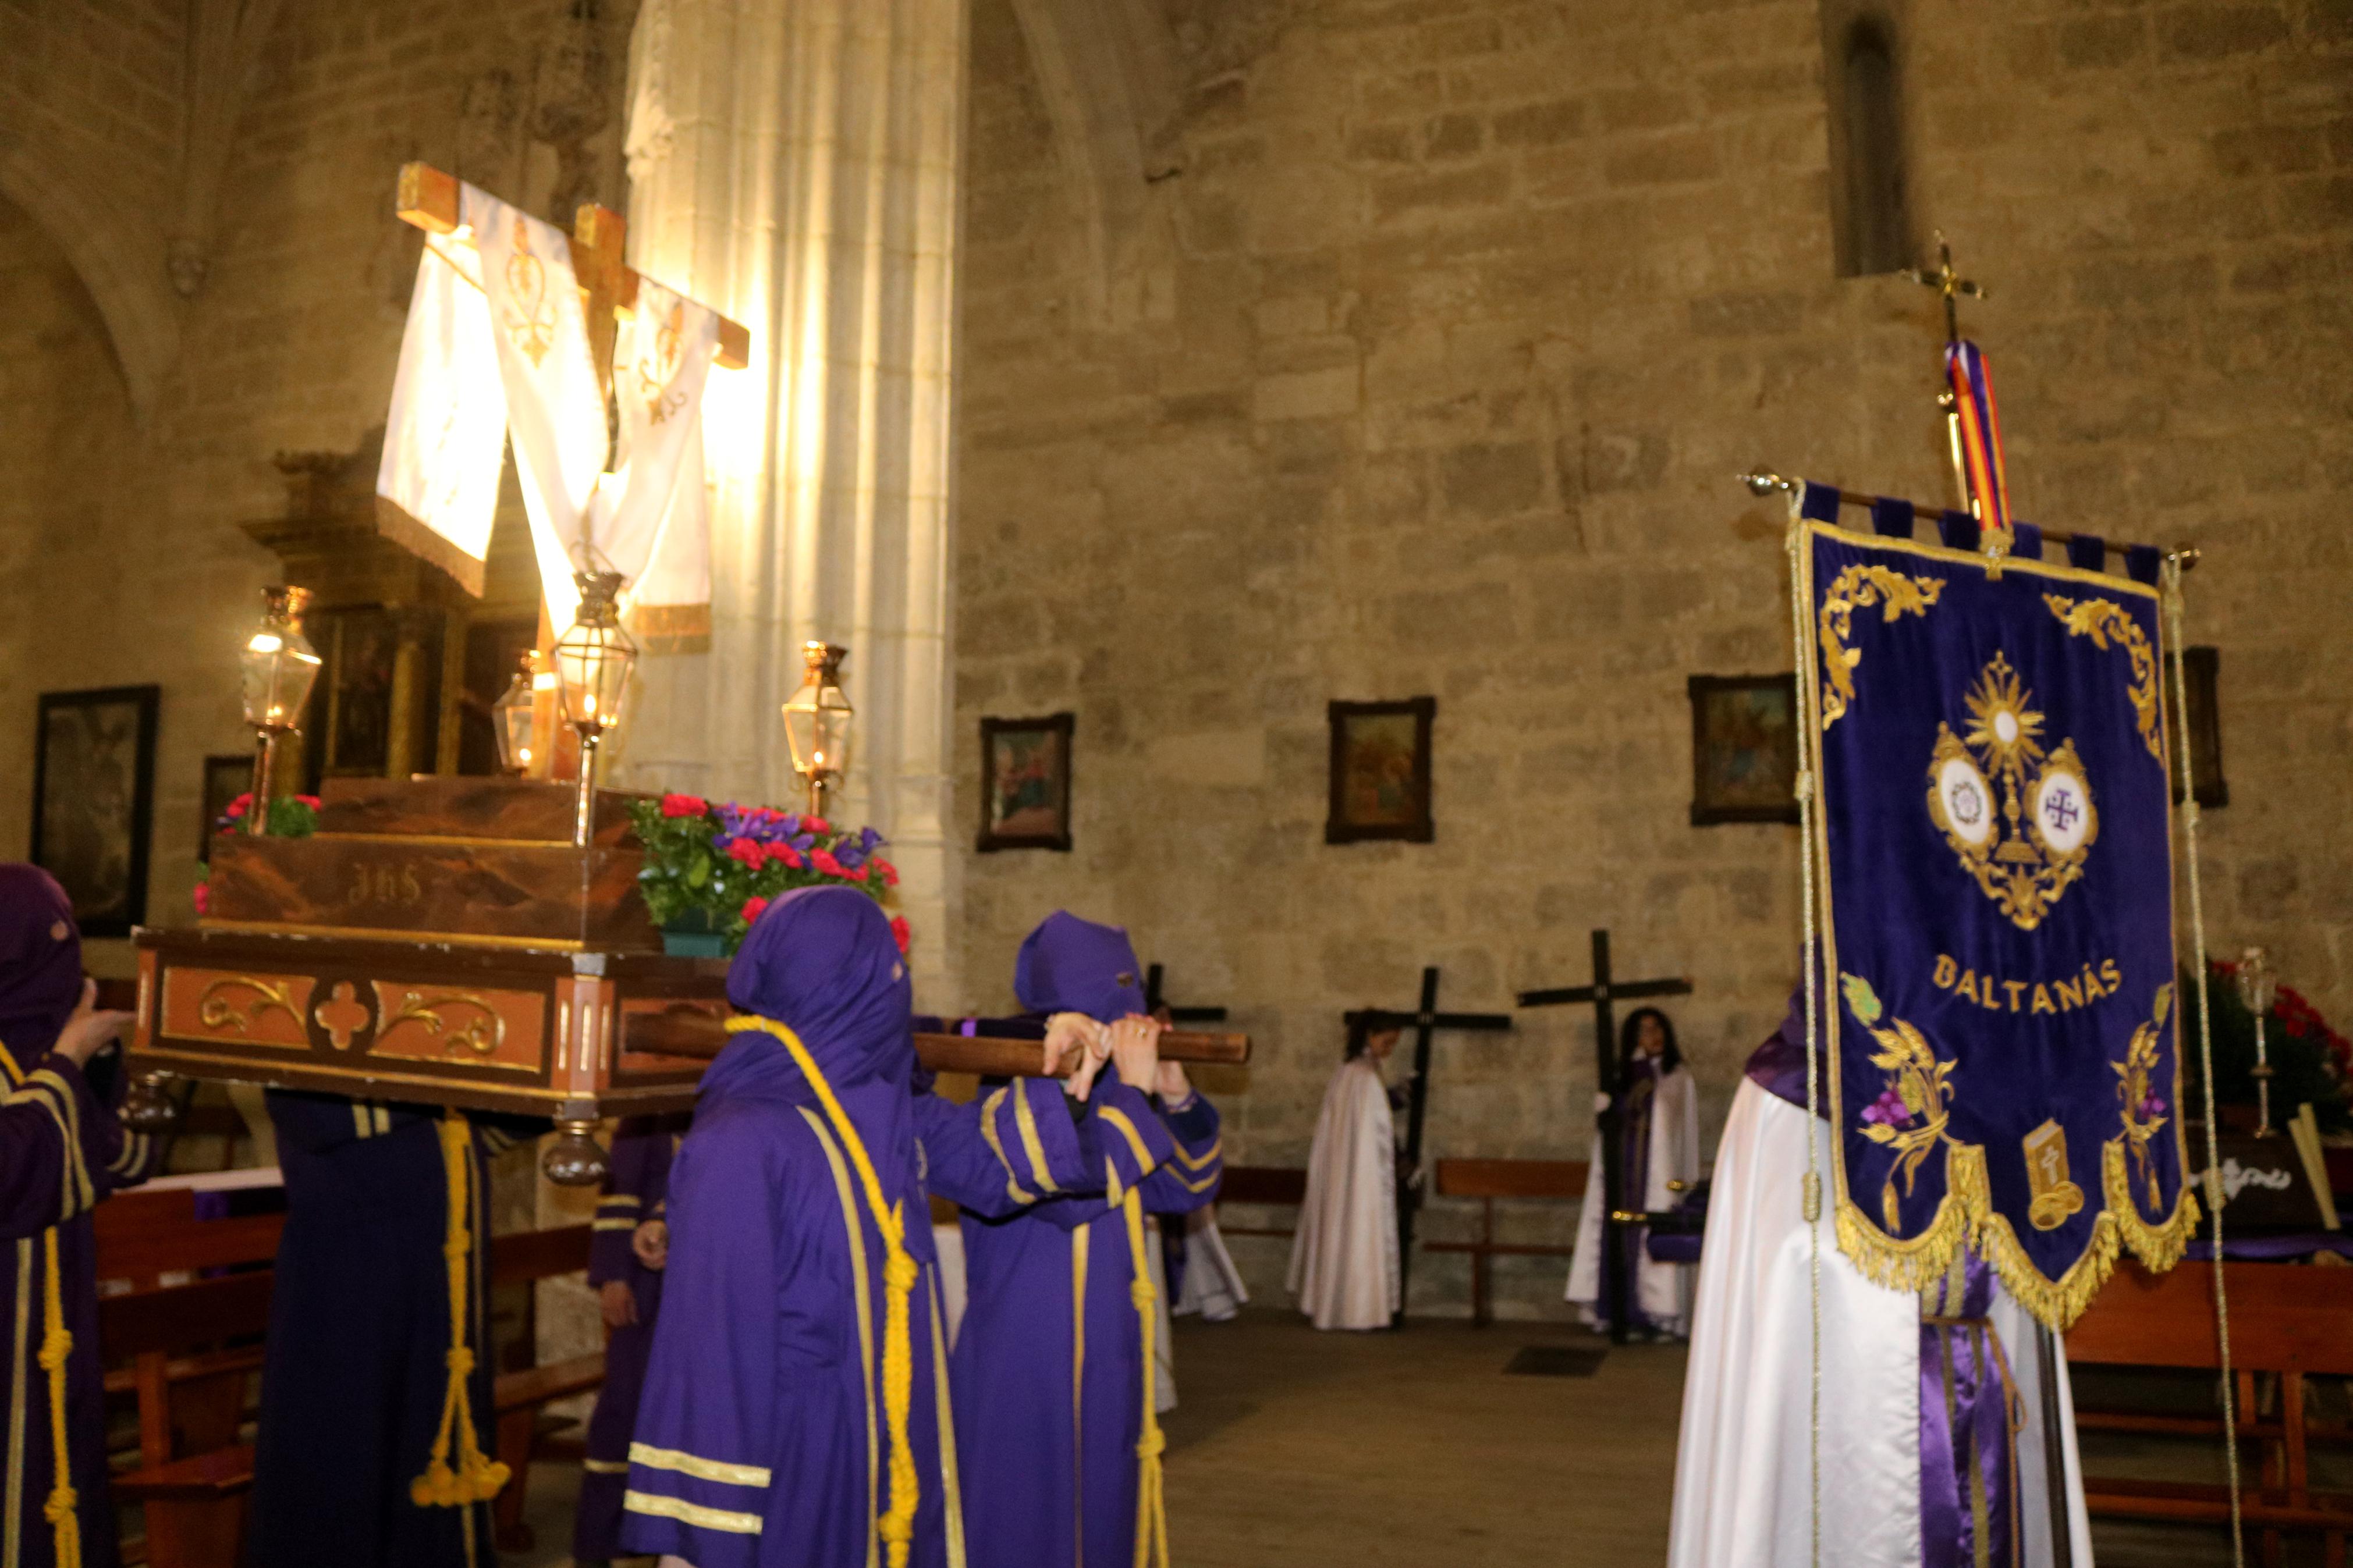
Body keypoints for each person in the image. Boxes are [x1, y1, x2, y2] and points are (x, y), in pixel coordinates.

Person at [622, 887, 1099, 1567]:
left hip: (886, 1428)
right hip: (796, 1460)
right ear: (846, 988)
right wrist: (700, 1540)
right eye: (890, 971)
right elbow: (712, 1350)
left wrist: (1065, 1076)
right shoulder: (742, 1136)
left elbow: (991, 1165)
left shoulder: (874, 1104)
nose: (900, 988)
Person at [1668, 989, 2094, 1568]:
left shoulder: (2007, 1069)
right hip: (1844, 1391)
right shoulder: (1787, 1088)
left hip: (1980, 1370)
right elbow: (1783, 1265)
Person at [954, 911, 1223, 1568]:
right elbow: (1071, 1193)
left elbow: (1183, 1188)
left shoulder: (1116, 1092)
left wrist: (1176, 1095)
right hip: (1028, 1354)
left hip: (1107, 1348)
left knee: (1102, 1506)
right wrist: (1130, 1092)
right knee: (1026, 1515)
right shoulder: (1011, 1085)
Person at [248, 1091, 540, 1566]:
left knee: (425, 1425)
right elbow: (312, 1114)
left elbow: (495, 1125)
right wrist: (457, 1075)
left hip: (438, 1256)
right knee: (350, 1442)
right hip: (355, 1255)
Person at [0, 863, 154, 1568]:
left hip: (51, 1336)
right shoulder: (42, 1056)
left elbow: (121, 1164)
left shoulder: (36, 1052)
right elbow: (12, 1175)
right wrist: (66, 1062)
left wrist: (108, 1068)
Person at [573, 1111, 688, 1567]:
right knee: (624, 1409)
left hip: (696, 1285)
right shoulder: (651, 1108)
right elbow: (619, 1193)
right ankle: (601, 1544)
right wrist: (614, 1276)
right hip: (645, 1284)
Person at [1565, 1006, 1700, 1338]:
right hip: (1621, 1178)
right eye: (1642, 1031)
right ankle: (1614, 1311)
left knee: (1649, 1237)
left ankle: (1657, 1314)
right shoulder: (1622, 1078)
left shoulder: (1677, 1079)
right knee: (1614, 1237)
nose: (1651, 1037)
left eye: (1657, 1029)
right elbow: (1611, 1126)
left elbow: (1673, 1131)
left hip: (1654, 1179)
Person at [1288, 1015, 1403, 1331]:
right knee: (1359, 1229)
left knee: (1343, 1229)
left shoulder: (1349, 1073)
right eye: (1386, 1041)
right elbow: (1374, 1134)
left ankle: (1336, 1303)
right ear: (1369, 1035)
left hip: (1347, 1173)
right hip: (1360, 1175)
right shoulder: (1361, 1076)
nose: (1389, 1049)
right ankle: (1358, 1308)